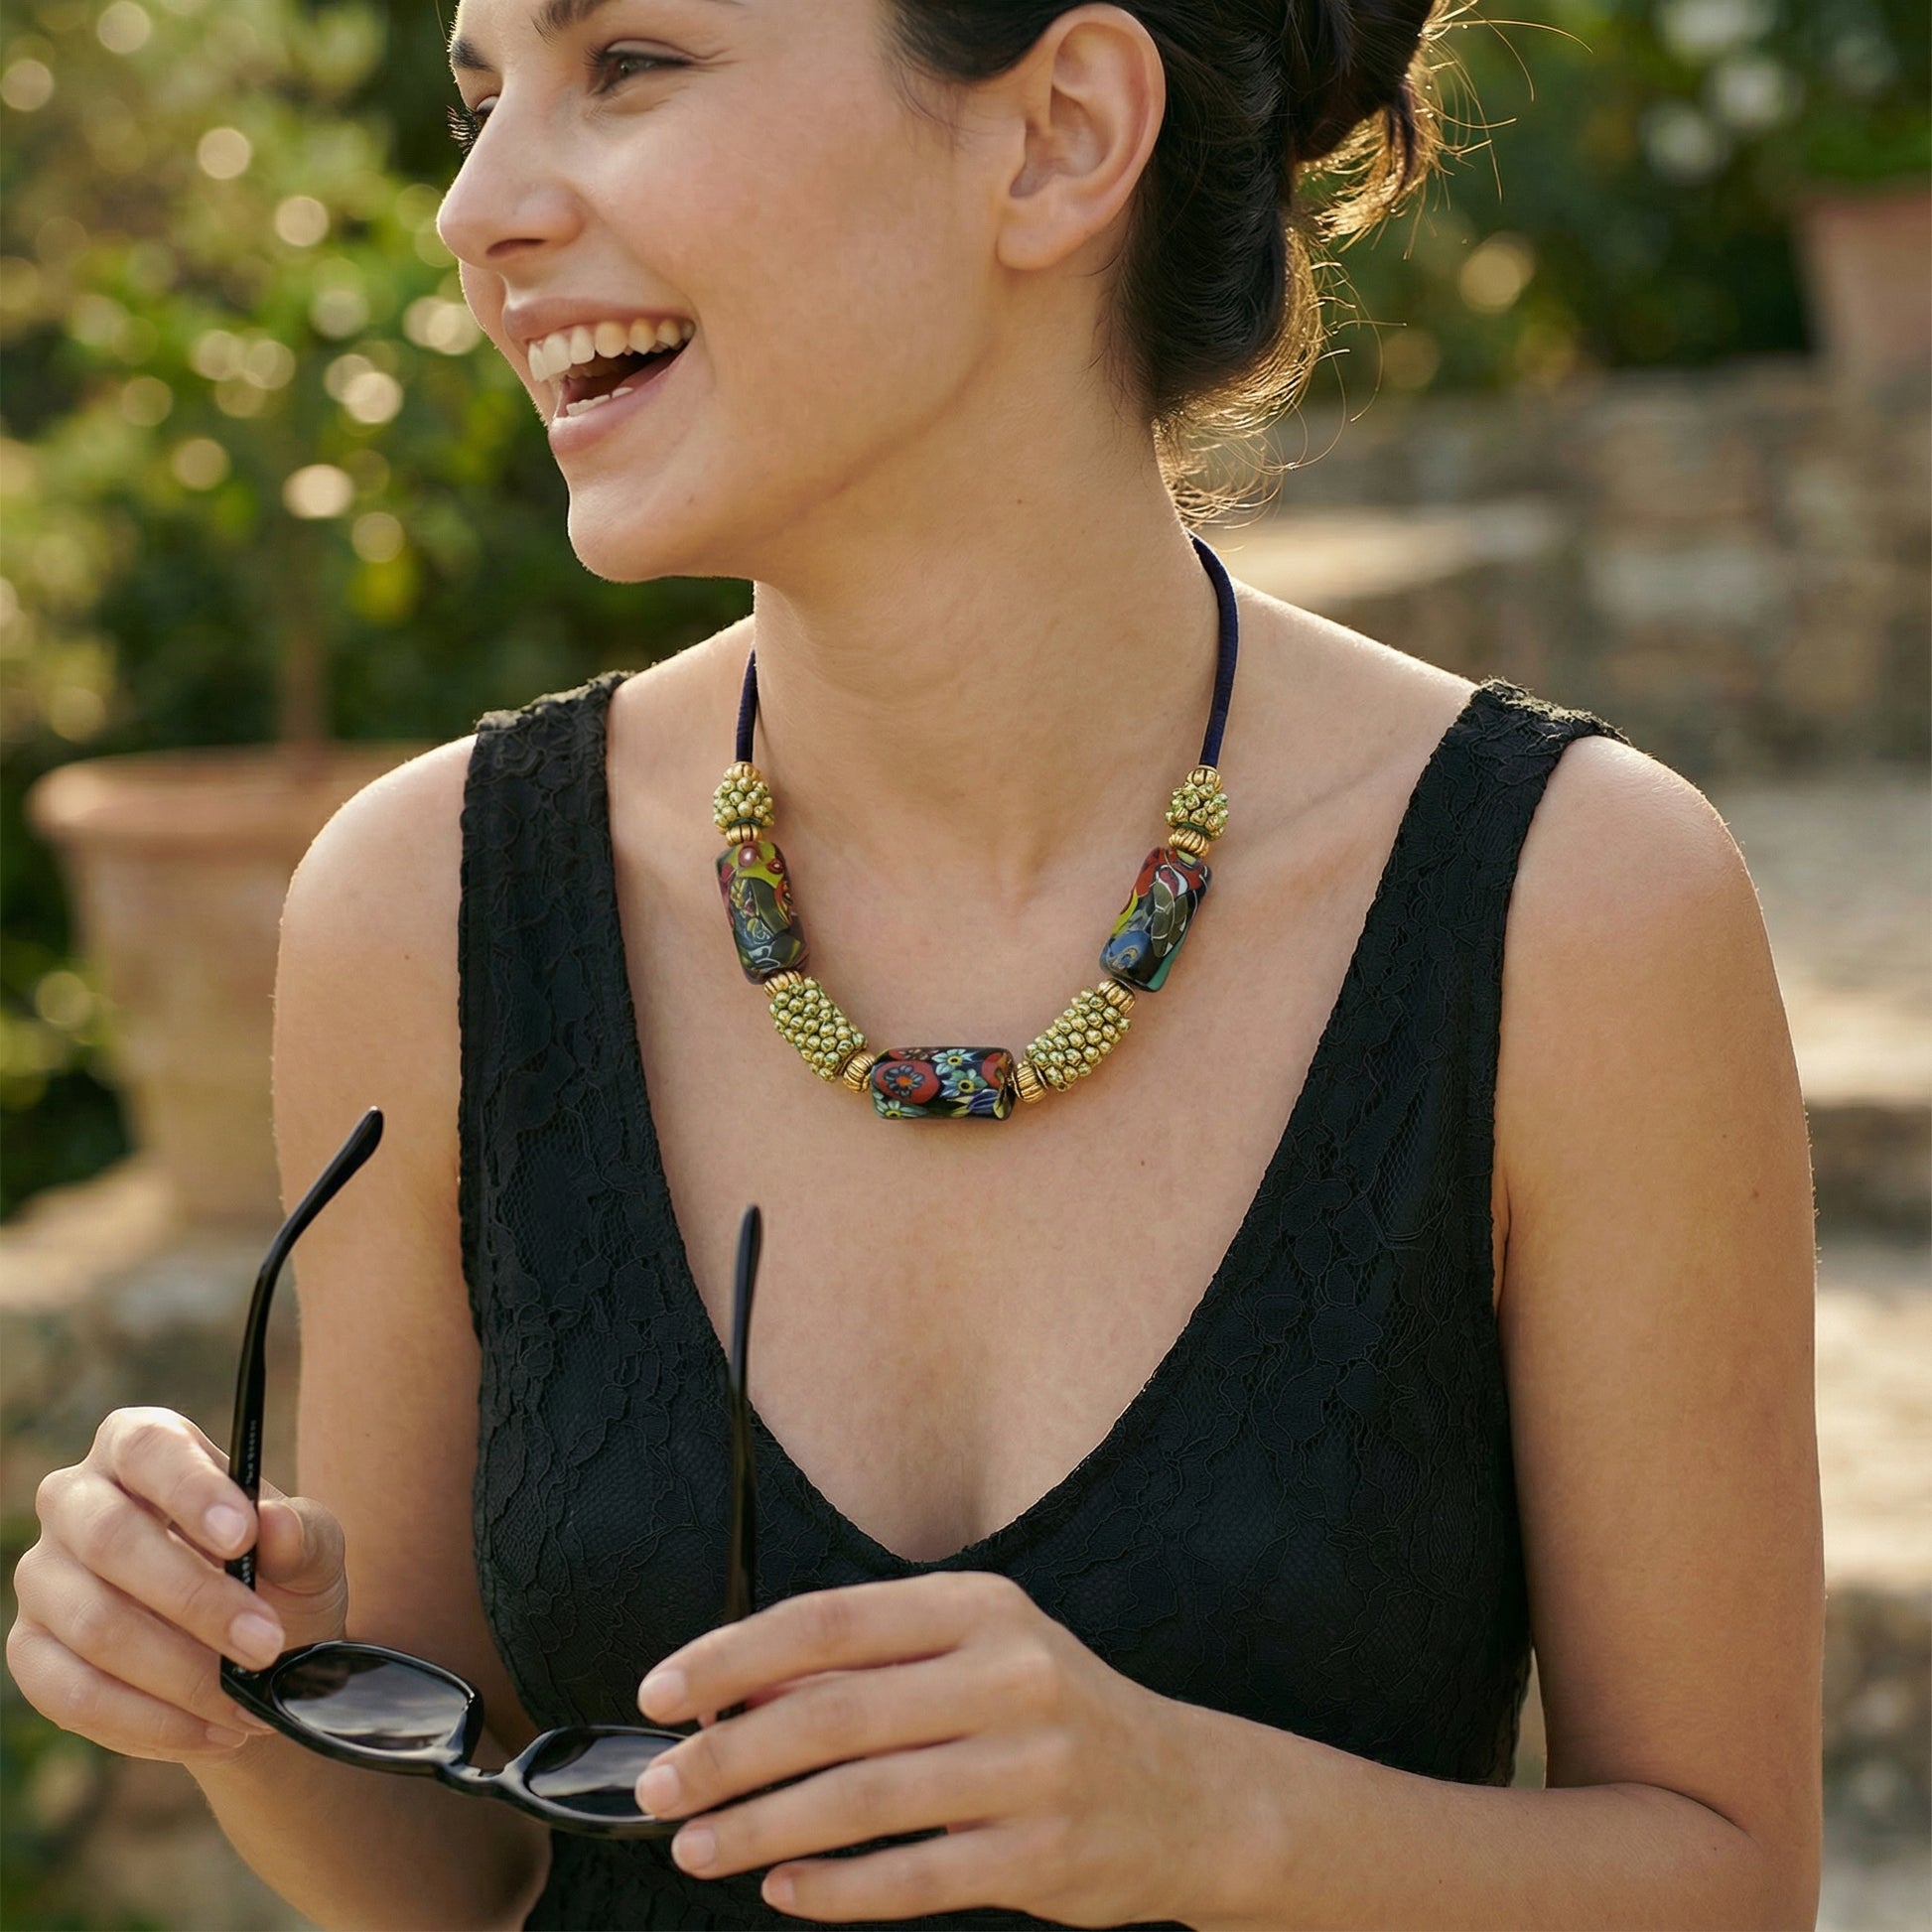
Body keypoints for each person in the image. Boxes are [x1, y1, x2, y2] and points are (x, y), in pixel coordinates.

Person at [8, 0, 1824, 1925]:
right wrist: (227, 1688)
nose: (475, 209)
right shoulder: (420, 909)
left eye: (626, 64)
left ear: (1053, 134)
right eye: (476, 102)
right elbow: (461, 1883)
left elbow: (1725, 1880)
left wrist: (1212, 1819)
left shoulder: (1575, 911)